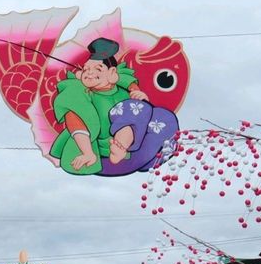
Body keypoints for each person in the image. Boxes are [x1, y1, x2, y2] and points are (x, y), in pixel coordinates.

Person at [49, 37, 178, 176]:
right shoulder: (83, 96)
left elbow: (127, 83)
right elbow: (76, 122)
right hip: (103, 151)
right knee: (133, 109)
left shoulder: (124, 91)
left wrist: (139, 95)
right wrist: (87, 153)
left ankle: (128, 149)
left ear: (112, 74)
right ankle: (120, 146)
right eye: (86, 69)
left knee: (163, 116)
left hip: (135, 149)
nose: (90, 72)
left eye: (97, 69)